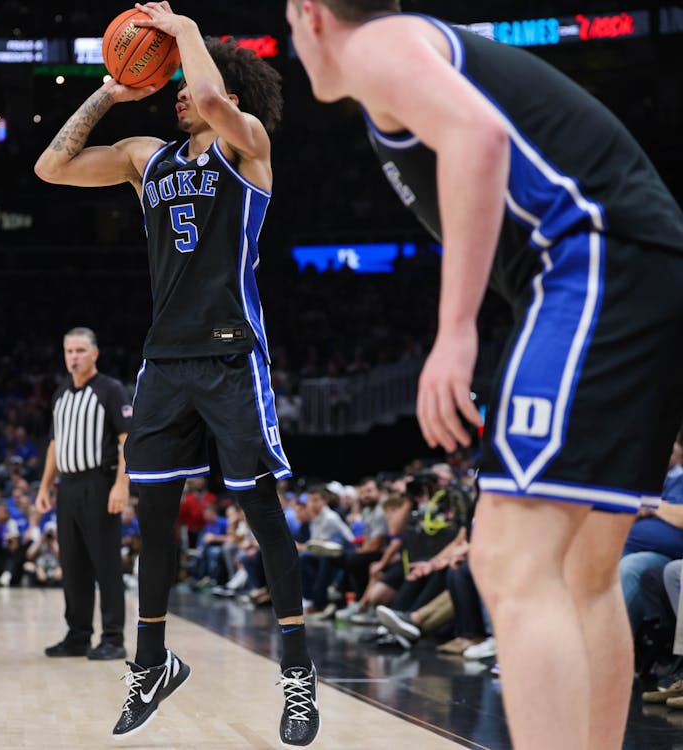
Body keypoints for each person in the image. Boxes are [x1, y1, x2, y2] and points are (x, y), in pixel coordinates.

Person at [285, 2, 683, 749]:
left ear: (308, 13)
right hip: (645, 265)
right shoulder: (409, 52)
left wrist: (455, 330)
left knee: (508, 557)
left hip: (591, 261)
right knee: (584, 571)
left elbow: (479, 134)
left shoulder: (378, 44)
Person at [35, 4, 319, 744]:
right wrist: (109, 92)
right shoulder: (146, 157)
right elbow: (51, 167)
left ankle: (297, 675)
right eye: (184, 85)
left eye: (195, 83)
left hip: (231, 357)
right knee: (152, 523)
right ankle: (151, 664)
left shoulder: (247, 147)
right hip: (164, 361)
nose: (181, 94)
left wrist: (187, 29)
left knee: (262, 516)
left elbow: (220, 100)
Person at [35, 327, 132, 661]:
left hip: (100, 483)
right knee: (72, 564)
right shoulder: (60, 394)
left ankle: (113, 637)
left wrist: (122, 485)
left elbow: (127, 441)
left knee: (105, 562)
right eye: (68, 351)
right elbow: (54, 444)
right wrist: (45, 486)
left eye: (79, 350)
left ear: (95, 354)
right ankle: (77, 635)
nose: (73, 357)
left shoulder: (111, 390)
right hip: (69, 486)